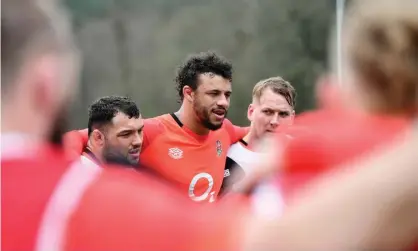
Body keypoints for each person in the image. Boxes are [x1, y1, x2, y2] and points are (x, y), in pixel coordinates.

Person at [65, 52, 248, 203]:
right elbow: (81, 137)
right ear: (189, 93)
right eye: (214, 93)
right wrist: (70, 167)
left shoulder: (224, 129)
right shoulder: (153, 131)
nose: (223, 102)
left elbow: (255, 133)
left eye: (227, 95)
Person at [81, 95, 144, 168]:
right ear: (98, 138)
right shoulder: (80, 175)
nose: (138, 141)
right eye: (126, 134)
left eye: (139, 131)